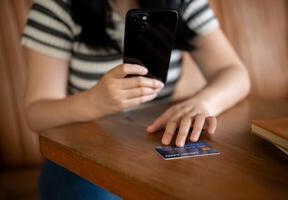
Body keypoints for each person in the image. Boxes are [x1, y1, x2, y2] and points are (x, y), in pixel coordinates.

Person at [21, 0, 250, 199]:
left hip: (155, 146)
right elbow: (36, 114)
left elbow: (234, 72)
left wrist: (204, 102)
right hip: (81, 154)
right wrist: (94, 102)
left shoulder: (183, 2)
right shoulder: (57, 6)